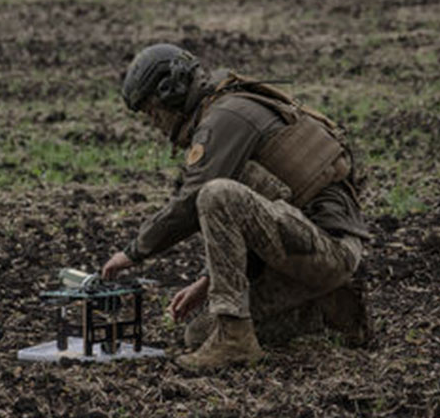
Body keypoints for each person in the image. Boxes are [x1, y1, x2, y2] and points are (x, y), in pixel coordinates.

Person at [101, 43, 372, 370]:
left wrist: (133, 252)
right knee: (197, 334)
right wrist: (206, 281)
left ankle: (235, 340)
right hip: (302, 248)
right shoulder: (223, 111)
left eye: (152, 111)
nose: (155, 124)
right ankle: (327, 310)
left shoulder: (225, 116)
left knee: (215, 194)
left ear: (170, 92)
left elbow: (193, 199)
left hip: (328, 249)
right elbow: (261, 216)